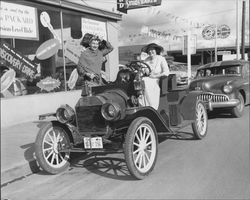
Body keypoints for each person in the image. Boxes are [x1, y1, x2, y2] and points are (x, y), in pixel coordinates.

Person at [140, 43, 170, 110]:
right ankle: (141, 104)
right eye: (149, 50)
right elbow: (142, 70)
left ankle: (151, 106)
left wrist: (156, 76)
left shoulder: (161, 59)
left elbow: (166, 72)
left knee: (145, 81)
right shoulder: (146, 60)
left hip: (158, 79)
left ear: (156, 50)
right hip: (148, 78)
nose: (150, 52)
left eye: (152, 50)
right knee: (140, 81)